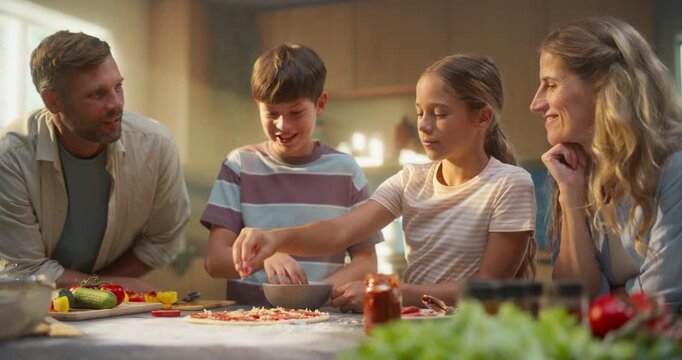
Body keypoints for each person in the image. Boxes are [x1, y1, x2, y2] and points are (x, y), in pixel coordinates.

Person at [232, 54, 537, 311]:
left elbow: (486, 291)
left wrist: (391, 291)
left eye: (440, 114)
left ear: (482, 118)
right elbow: (341, 230)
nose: (424, 125)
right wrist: (275, 239)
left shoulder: (509, 184)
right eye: (419, 112)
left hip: (473, 338)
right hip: (416, 327)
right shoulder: (411, 179)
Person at [0, 31, 190, 292]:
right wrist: (110, 286)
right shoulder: (10, 155)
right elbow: (26, 267)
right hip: (30, 304)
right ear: (53, 100)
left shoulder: (156, 145)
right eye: (98, 94)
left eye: (118, 87)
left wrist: (99, 290)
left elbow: (164, 239)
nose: (116, 104)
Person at [201, 43, 381, 305]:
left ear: (320, 104)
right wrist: (264, 256)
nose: (282, 126)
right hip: (249, 317)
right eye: (271, 113)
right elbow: (215, 261)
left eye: (295, 113)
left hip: (324, 315)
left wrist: (314, 294)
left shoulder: (346, 171)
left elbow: (367, 261)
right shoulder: (239, 165)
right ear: (257, 106)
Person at [530, 17, 682, 311]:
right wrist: (570, 195)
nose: (536, 103)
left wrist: (606, 298)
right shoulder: (571, 171)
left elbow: (660, 301)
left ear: (603, 88)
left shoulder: (674, 167)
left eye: (550, 85)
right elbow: (573, 303)